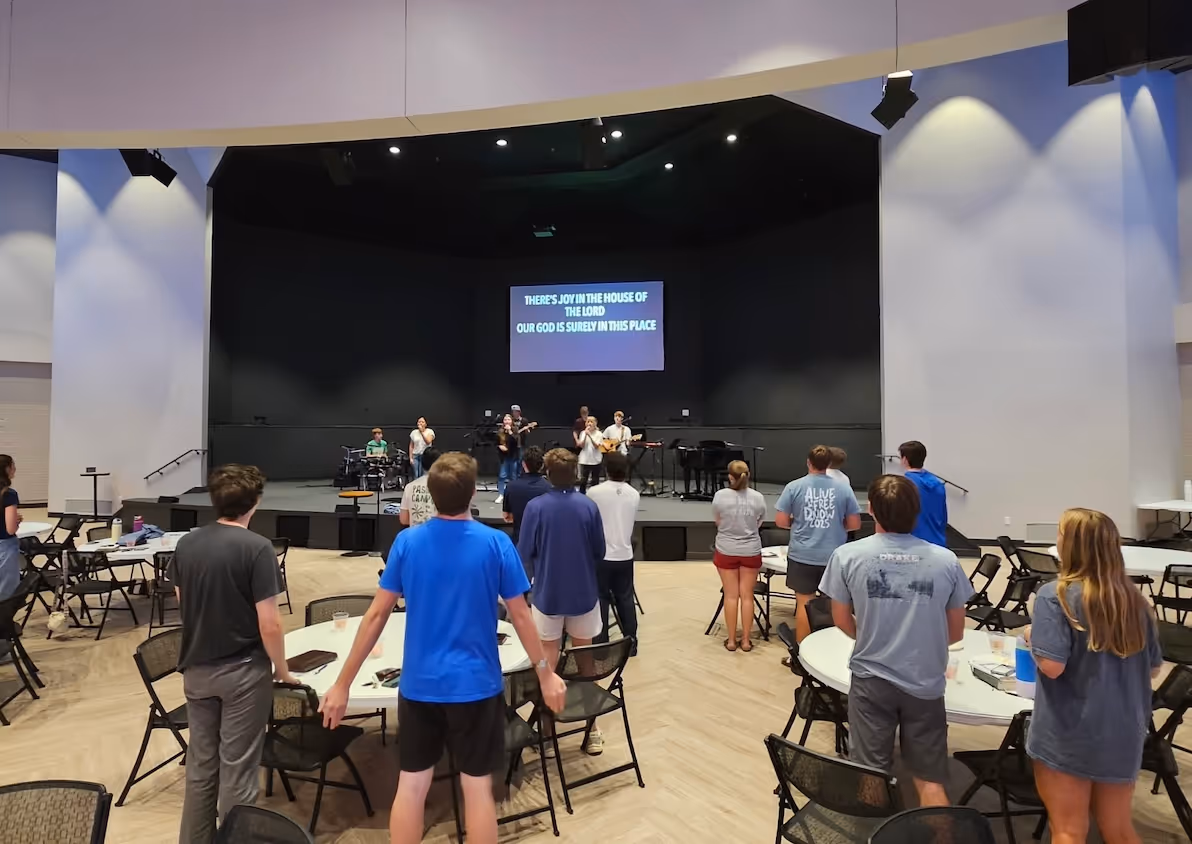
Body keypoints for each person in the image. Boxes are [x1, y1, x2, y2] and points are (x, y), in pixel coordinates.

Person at [319, 452, 566, 844]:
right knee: (477, 790)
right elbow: (521, 616)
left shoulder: (407, 542)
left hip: (419, 688)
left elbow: (376, 615)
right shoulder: (497, 544)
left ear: (430, 495)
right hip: (477, 688)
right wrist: (545, 672)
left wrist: (342, 683)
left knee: (412, 787)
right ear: (473, 494)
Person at [819, 474, 971, 808]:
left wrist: (874, 636)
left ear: (871, 509)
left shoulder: (846, 556)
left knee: (871, 774)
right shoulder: (946, 561)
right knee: (930, 781)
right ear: (916, 511)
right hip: (926, 682)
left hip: (871, 679)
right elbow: (957, 632)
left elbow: (841, 619)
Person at [170, 464, 296, 844]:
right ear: (255, 503)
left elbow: (182, 600)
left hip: (196, 670)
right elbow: (269, 623)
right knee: (239, 771)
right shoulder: (257, 549)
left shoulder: (187, 544)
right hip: (242, 672)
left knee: (201, 768)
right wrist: (282, 669)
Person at [1026, 508, 1163, 844]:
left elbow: (1051, 667)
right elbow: (1154, 667)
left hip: (1070, 732)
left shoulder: (1055, 595)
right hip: (1124, 733)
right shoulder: (1135, 601)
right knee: (1118, 828)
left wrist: (1033, 636)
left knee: (1069, 829)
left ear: (1070, 545)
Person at [518, 447, 607, 753]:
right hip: (584, 594)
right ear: (576, 473)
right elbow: (600, 551)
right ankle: (592, 729)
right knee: (586, 662)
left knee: (548, 664)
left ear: (547, 473)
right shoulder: (588, 507)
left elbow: (524, 553)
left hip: (547, 596)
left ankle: (546, 731)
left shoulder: (536, 507)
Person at [776, 445, 862, 642]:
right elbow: (854, 524)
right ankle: (830, 651)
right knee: (835, 606)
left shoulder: (794, 487)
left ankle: (802, 655)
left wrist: (799, 523)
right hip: (834, 556)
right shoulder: (843, 488)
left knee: (804, 604)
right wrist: (834, 526)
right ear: (829, 464)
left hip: (802, 555)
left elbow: (781, 521)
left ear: (808, 462)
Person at [711, 460, 767, 652]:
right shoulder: (758, 497)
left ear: (730, 477)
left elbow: (717, 521)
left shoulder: (720, 496)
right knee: (747, 596)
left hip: (726, 549)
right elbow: (759, 522)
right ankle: (745, 641)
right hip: (750, 550)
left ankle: (732, 641)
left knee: (731, 596)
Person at [587, 451, 641, 651]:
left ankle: (600, 645)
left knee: (600, 598)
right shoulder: (634, 494)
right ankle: (631, 643)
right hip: (625, 555)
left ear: (605, 469)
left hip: (601, 556)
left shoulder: (594, 492)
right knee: (625, 598)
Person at [899, 440, 948, 548]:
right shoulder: (938, 484)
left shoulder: (903, 485)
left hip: (914, 544)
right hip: (938, 542)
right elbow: (943, 516)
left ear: (905, 459)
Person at [502, 446, 551, 549]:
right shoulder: (549, 488)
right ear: (542, 465)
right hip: (543, 544)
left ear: (523, 464)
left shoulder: (511, 486)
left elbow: (507, 517)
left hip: (519, 541)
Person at [399, 448, 441, 527]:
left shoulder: (409, 487)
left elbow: (404, 519)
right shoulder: (446, 487)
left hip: (415, 536)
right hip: (437, 536)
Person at [0, 454, 22, 601]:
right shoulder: (8, 494)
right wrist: (15, 520)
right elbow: (10, 529)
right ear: (7, 469)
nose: (15, 469)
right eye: (13, 465)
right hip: (5, 545)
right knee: (6, 593)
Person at [574, 415, 604, 493]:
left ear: (595, 423)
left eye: (591, 422)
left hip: (595, 459)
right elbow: (582, 445)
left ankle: (594, 494)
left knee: (595, 480)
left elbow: (596, 446)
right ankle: (582, 494)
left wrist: (590, 435)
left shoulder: (599, 434)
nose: (589, 423)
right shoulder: (583, 433)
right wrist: (585, 435)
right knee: (583, 480)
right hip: (585, 459)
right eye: (588, 422)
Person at [495, 414, 519, 505]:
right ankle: (501, 494)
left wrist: (510, 432)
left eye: (509, 419)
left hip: (513, 456)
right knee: (502, 476)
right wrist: (500, 446)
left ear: (511, 421)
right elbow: (496, 442)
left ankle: (513, 495)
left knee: (513, 476)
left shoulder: (515, 430)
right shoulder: (500, 432)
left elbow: (517, 442)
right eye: (505, 420)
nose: (507, 421)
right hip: (504, 457)